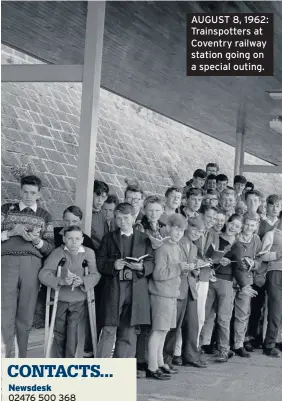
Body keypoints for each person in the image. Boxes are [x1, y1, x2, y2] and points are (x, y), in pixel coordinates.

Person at [1, 175, 55, 357]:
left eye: (33, 193)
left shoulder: (45, 215)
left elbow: (50, 248)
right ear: (20, 191)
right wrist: (10, 232)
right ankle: (6, 359)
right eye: (25, 191)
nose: (28, 196)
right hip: (7, 262)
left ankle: (21, 359)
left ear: (39, 194)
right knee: (5, 312)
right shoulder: (6, 209)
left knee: (26, 313)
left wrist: (37, 241)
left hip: (32, 265)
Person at [96, 203, 154, 359]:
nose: (123, 222)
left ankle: (121, 370)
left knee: (129, 331)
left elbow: (151, 262)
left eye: (126, 218)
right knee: (108, 329)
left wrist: (142, 266)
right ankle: (101, 367)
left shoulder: (144, 239)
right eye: (119, 218)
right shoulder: (108, 238)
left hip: (135, 289)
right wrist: (112, 265)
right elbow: (100, 262)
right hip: (114, 288)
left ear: (134, 217)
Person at [39, 226, 100, 357]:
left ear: (82, 239)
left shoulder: (88, 253)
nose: (74, 242)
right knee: (59, 332)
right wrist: (61, 281)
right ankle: (60, 362)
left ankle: (69, 362)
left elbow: (95, 275)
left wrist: (83, 281)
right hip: (60, 299)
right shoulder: (57, 252)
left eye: (77, 238)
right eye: (70, 238)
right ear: (64, 239)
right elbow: (43, 274)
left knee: (72, 331)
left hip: (78, 300)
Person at [147, 214, 187, 380]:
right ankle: (152, 366)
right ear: (168, 227)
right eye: (176, 228)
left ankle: (160, 362)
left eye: (182, 230)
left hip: (171, 294)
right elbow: (158, 274)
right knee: (157, 331)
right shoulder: (163, 248)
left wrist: (183, 268)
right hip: (161, 294)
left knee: (164, 331)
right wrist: (179, 269)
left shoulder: (175, 246)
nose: (179, 233)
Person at [164, 217, 207, 370]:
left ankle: (191, 356)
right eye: (195, 229)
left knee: (192, 325)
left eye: (200, 232)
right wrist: (187, 267)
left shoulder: (194, 247)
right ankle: (166, 360)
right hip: (177, 288)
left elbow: (192, 269)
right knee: (172, 327)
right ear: (187, 227)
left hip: (190, 288)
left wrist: (196, 268)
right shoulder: (177, 242)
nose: (197, 233)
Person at [201, 214, 243, 362]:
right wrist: (214, 262)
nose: (233, 227)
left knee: (223, 318)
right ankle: (200, 346)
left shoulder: (238, 245)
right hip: (211, 279)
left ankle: (224, 350)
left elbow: (240, 267)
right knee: (205, 316)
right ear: (227, 222)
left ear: (240, 230)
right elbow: (206, 256)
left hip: (226, 283)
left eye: (237, 226)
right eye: (232, 224)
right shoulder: (216, 237)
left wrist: (244, 284)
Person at [230, 212, 262, 358]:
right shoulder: (235, 236)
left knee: (242, 314)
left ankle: (238, 344)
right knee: (225, 314)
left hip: (247, 280)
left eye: (252, 225)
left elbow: (260, 259)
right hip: (231, 279)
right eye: (247, 224)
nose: (249, 227)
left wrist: (253, 263)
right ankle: (222, 344)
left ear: (256, 226)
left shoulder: (256, 239)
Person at [195, 206, 219, 345]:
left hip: (204, 276)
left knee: (200, 315)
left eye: (214, 218)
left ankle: (195, 346)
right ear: (201, 215)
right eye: (209, 217)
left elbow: (214, 255)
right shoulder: (192, 230)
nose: (212, 220)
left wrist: (213, 260)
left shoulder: (214, 235)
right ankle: (178, 351)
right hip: (191, 275)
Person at [261, 211, 282, 357]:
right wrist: (277, 255)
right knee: (275, 310)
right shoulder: (271, 234)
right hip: (275, 273)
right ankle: (269, 344)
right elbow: (262, 255)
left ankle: (279, 342)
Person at [91, 180, 110, 251]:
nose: (100, 200)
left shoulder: (102, 214)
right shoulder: (83, 211)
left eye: (103, 197)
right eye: (97, 196)